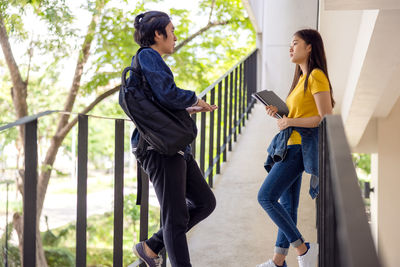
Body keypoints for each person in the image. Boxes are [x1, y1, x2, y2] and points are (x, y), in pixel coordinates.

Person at [129, 11, 217, 267]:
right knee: (175, 219)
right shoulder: (147, 55)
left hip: (173, 147)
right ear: (158, 34)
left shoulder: (150, 59)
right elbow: (168, 93)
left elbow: (159, 101)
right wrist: (193, 98)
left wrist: (187, 108)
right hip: (159, 149)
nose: (175, 36)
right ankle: (154, 249)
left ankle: (151, 246)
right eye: (172, 30)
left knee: (205, 202)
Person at [256, 29, 335, 267]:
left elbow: (325, 117)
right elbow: (299, 115)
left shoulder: (316, 75)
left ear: (310, 46)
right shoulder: (300, 80)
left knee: (266, 197)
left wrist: (289, 121)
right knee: (288, 205)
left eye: (295, 43)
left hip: (300, 149)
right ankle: (278, 261)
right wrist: (280, 115)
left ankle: (303, 249)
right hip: (289, 145)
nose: (290, 48)